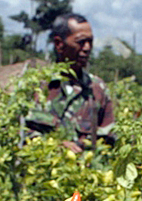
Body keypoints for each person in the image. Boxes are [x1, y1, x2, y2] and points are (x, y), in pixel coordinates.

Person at [24, 13, 115, 152]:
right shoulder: (37, 86)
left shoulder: (97, 89)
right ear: (59, 44)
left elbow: (108, 139)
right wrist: (56, 146)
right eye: (81, 42)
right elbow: (22, 133)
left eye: (90, 41)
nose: (87, 48)